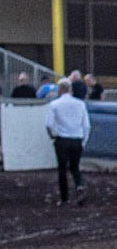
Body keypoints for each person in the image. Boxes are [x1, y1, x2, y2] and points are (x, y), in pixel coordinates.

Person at [45, 78, 89, 206]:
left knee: (62, 169)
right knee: (75, 167)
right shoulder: (80, 104)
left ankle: (65, 199)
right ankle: (79, 185)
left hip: (62, 140)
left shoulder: (55, 104)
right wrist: (83, 141)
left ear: (60, 89)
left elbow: (49, 124)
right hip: (77, 139)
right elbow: (86, 126)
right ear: (70, 89)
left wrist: (52, 134)